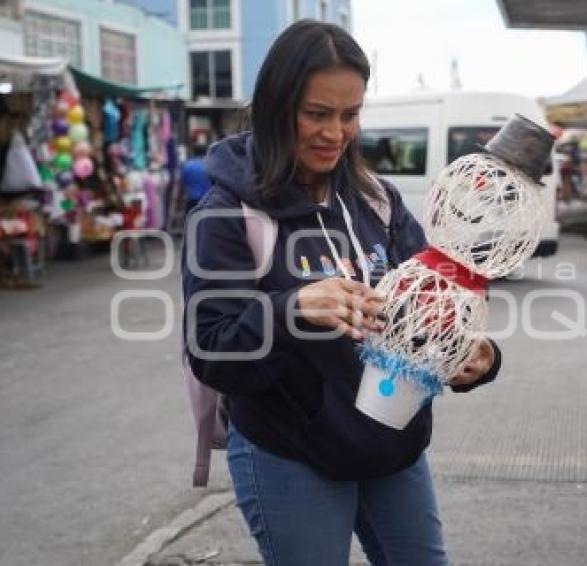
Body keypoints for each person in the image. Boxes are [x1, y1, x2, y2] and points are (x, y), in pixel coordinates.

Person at [181, 20, 501, 565]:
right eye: (317, 114)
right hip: (288, 452)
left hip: (390, 440)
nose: (336, 132)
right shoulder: (227, 214)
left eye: (350, 115)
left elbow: (428, 311)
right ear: (278, 107)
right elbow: (211, 350)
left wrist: (473, 354)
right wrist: (291, 310)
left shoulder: (377, 200)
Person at [181, 143, 210, 214]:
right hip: (208, 202)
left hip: (192, 202)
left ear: (194, 152)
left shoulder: (187, 166)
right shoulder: (210, 166)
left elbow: (182, 185)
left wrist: (180, 201)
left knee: (191, 223)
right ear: (206, 152)